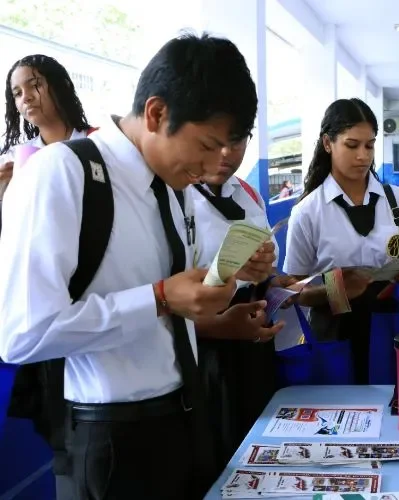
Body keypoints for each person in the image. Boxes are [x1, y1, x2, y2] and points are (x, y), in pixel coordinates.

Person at [0, 33, 271, 499]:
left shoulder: (174, 186)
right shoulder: (62, 173)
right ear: (157, 113)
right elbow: (23, 334)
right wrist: (160, 298)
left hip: (189, 419)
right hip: (112, 439)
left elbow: (168, 302)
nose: (211, 168)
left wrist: (213, 298)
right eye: (206, 145)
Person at [283, 98, 399, 385]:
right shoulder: (308, 211)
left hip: (390, 327)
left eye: (369, 145)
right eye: (352, 145)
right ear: (328, 143)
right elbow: (293, 292)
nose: (363, 156)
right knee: (342, 416)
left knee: (392, 410)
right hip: (335, 332)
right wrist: (338, 289)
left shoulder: (397, 201)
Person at [190, 134, 289, 469]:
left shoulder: (247, 194)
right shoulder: (174, 196)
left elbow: (264, 273)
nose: (225, 153)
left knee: (260, 448)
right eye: (215, 138)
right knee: (218, 453)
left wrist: (268, 273)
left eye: (237, 141)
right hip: (202, 347)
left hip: (252, 340)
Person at [0, 55, 97, 225]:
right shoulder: (13, 158)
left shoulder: (98, 142)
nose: (26, 98)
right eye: (17, 93)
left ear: (62, 86)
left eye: (35, 85)